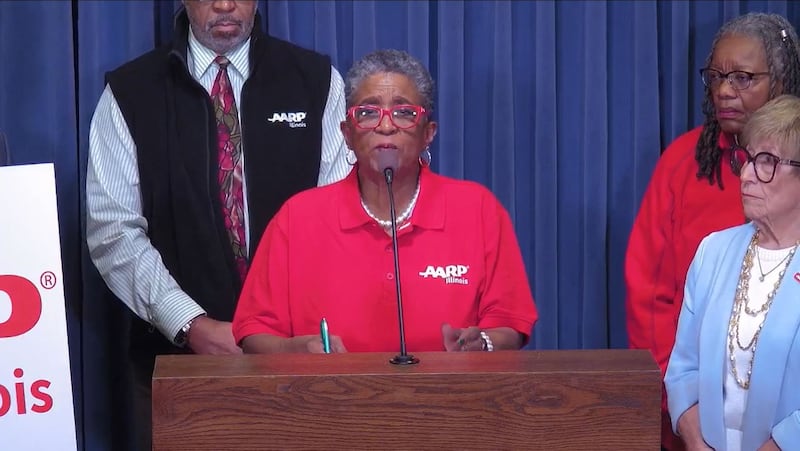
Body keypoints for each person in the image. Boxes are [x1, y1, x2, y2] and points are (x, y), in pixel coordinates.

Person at [85, 1, 350, 449]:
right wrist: (189, 323)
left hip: (299, 360)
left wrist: (282, 334)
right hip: (177, 366)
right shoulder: (131, 92)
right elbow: (114, 230)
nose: (225, 4)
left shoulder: (317, 80)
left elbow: (339, 217)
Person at [232, 49, 537, 354]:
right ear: (347, 134)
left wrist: (482, 344)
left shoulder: (478, 210)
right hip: (331, 386)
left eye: (404, 113)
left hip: (449, 386)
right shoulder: (297, 218)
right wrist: (295, 352)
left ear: (428, 133)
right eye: (368, 112)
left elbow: (510, 324)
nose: (386, 126)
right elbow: (254, 332)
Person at [624, 12, 800, 450]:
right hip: (689, 422)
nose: (724, 90)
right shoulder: (682, 163)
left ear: (780, 80)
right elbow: (649, 295)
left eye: (743, 77)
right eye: (717, 77)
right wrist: (680, 407)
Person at [666, 94, 800, 451]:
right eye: (747, 158)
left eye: (767, 161)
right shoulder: (713, 251)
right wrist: (695, 441)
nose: (747, 175)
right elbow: (683, 369)